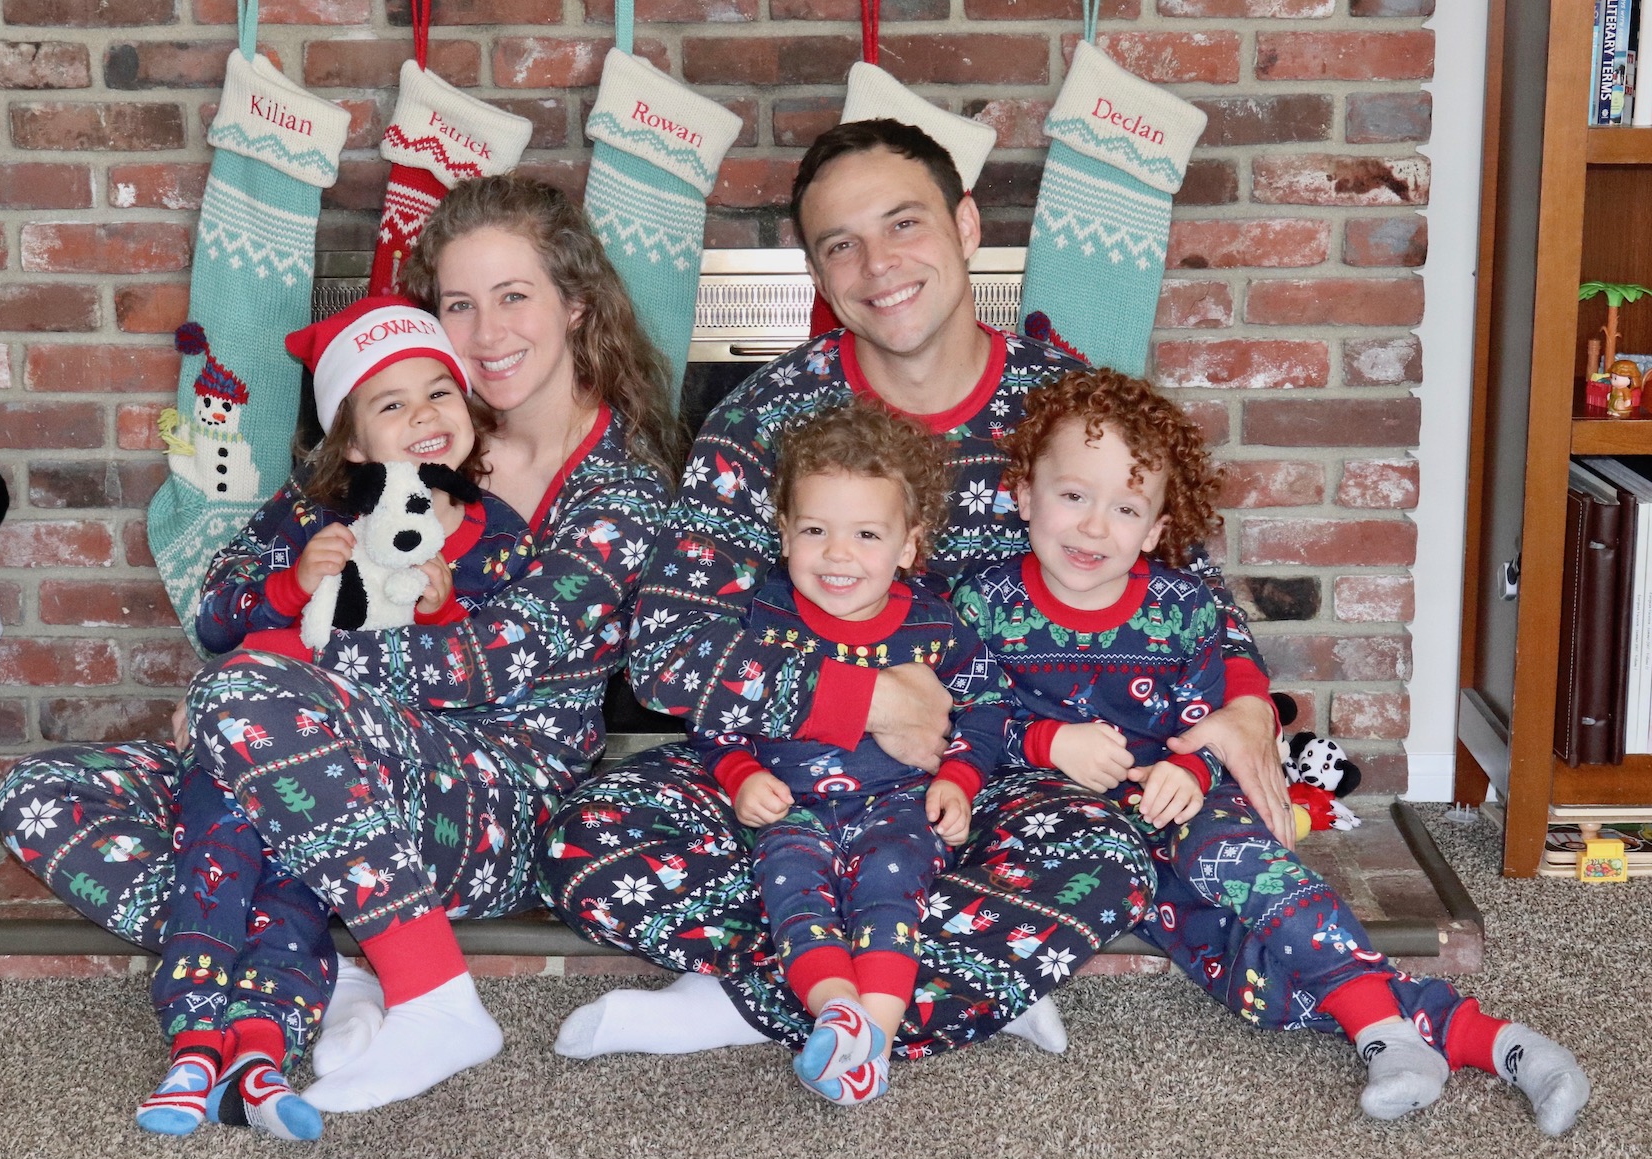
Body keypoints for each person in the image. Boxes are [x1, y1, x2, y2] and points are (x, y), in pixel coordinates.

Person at [542, 118, 1289, 1062]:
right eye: (840, 245)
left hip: (998, 783)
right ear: (818, 276)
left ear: (967, 227)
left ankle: (752, 1002)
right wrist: (860, 696)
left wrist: (1250, 700)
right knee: (587, 837)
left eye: (903, 225)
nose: (876, 264)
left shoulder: (1067, 405)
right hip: (797, 785)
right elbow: (666, 650)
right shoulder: (765, 417)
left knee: (1109, 855)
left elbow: (1185, 582)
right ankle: (950, 978)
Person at [0, 174, 677, 1113]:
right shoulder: (398, 445)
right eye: (459, 305)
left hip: (489, 802)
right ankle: (311, 945)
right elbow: (226, 592)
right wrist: (284, 605)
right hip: (315, 749)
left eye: (514, 297)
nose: (487, 334)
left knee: (243, 706)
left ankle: (434, 996)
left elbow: (488, 664)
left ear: (575, 305)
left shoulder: (622, 489)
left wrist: (271, 678)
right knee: (38, 795)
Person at [952, 367, 1588, 1135]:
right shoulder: (983, 603)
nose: (1093, 528)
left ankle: (1397, 1036)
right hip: (1059, 817)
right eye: (1073, 496)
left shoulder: (1182, 607)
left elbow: (1207, 714)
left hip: (1174, 790)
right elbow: (968, 723)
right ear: (1025, 495)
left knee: (1244, 865)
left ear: (1155, 528)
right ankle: (1480, 1040)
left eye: (1125, 508)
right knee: (1235, 966)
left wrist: (1189, 766)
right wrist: (1050, 741)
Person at [135, 300, 531, 1141]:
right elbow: (215, 615)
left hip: (395, 794)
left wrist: (440, 615)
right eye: (391, 404)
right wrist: (284, 590)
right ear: (351, 441)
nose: (425, 415)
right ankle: (281, 993)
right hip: (273, 762)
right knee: (38, 793)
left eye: (441, 393)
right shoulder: (302, 515)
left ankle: (343, 999)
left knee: (250, 782)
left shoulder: (498, 540)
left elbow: (481, 685)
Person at [692, 404, 1007, 1104]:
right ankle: (837, 1012)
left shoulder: (934, 624)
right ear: (784, 534)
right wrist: (739, 774)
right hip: (792, 805)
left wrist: (958, 777)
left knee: (887, 892)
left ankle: (879, 1039)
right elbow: (717, 717)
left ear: (906, 546)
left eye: (867, 534)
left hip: (899, 806)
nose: (838, 555)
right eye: (815, 531)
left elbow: (987, 708)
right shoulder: (764, 619)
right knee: (790, 889)